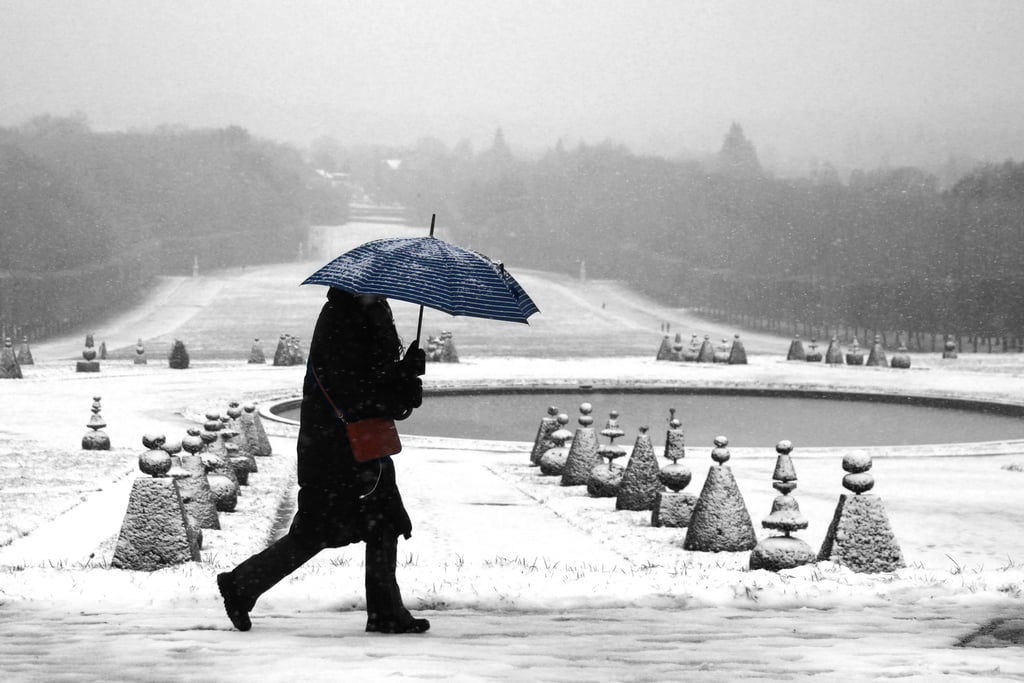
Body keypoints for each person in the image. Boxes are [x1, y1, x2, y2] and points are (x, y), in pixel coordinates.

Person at [216, 287, 428, 633]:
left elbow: (372, 383)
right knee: (317, 530)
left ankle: (385, 611)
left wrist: (405, 373)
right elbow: (355, 393)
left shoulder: (364, 314)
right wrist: (401, 383)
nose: (383, 292)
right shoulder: (344, 321)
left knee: (382, 522)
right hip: (338, 449)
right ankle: (241, 586)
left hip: (354, 445)